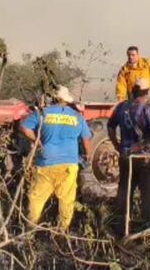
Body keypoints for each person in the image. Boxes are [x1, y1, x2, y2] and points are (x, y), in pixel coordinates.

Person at [20, 86, 93, 230]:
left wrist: (37, 140)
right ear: (66, 101)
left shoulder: (42, 114)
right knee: (66, 200)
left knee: (37, 199)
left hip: (46, 162)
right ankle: (62, 232)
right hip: (69, 165)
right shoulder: (77, 116)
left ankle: (29, 230)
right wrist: (88, 156)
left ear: (52, 98)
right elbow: (86, 140)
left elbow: (24, 127)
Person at [108, 78, 150, 229]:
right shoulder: (146, 108)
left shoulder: (122, 107)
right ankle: (146, 227)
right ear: (147, 93)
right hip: (144, 159)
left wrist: (118, 146)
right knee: (148, 194)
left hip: (126, 157)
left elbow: (110, 127)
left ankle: (121, 224)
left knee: (125, 191)